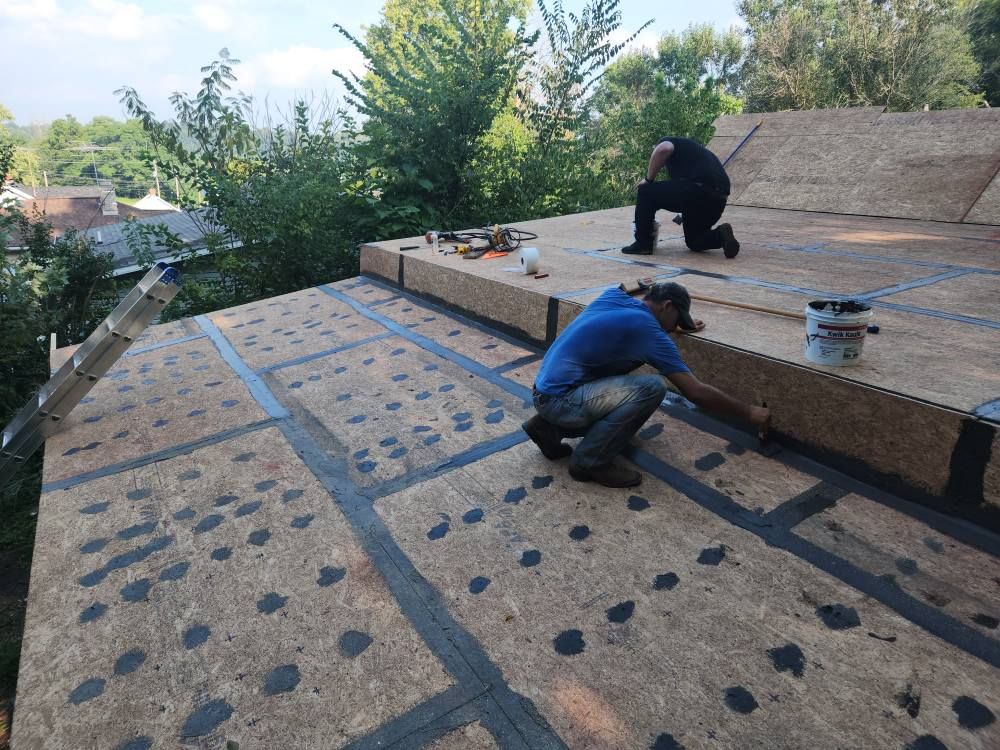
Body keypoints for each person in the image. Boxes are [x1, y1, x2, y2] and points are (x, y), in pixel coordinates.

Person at [522, 282, 770, 488]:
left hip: (543, 391)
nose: (676, 327)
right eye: (677, 319)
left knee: (616, 378)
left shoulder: (614, 297)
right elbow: (695, 392)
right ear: (667, 306)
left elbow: (626, 287)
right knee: (653, 387)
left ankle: (548, 429)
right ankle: (589, 462)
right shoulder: (648, 332)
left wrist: (668, 316)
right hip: (562, 401)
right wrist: (750, 413)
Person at [623, 136, 740, 258]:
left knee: (645, 192)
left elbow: (663, 149)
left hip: (700, 189)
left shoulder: (670, 143)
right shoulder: (692, 156)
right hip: (718, 199)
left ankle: (643, 244)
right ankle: (721, 235)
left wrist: (648, 179)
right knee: (694, 241)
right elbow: (681, 194)